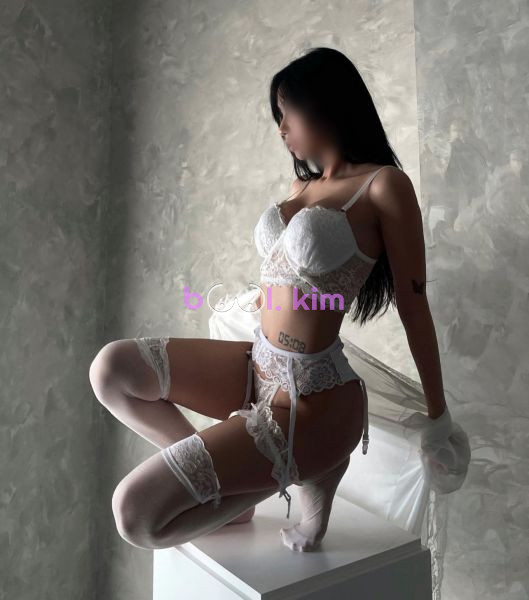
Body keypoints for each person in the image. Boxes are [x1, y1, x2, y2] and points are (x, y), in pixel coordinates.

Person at [89, 47, 451, 553]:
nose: (281, 129)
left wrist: (439, 417)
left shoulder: (383, 186)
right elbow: (284, 279)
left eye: (287, 113)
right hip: (256, 364)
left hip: (314, 398)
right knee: (111, 370)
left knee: (135, 515)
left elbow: (414, 306)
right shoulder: (302, 184)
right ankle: (228, 493)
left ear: (325, 103)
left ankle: (302, 467)